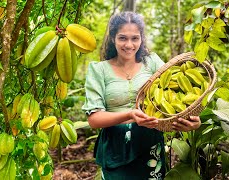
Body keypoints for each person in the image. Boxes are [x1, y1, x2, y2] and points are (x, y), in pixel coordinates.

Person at [82, 11, 201, 180]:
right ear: (113, 38)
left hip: (149, 145)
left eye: (134, 38)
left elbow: (175, 97)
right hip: (115, 148)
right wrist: (130, 114)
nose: (129, 45)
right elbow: (94, 119)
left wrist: (192, 121)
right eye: (122, 38)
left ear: (141, 39)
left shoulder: (152, 62)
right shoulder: (99, 69)